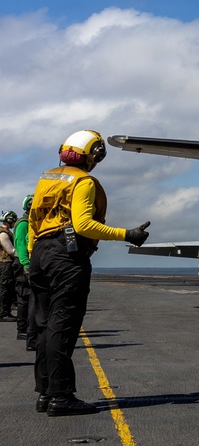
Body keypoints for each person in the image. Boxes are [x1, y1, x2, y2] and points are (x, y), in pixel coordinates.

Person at [28, 130, 151, 417]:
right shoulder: (83, 182)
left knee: (44, 326)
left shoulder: (47, 178)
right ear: (94, 155)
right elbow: (83, 224)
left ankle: (45, 393)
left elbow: (34, 221)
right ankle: (61, 397)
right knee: (62, 325)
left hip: (40, 255)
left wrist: (35, 255)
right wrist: (127, 234)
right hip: (65, 257)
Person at [14, 196, 35, 344]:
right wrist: (26, 265)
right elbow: (21, 245)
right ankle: (22, 330)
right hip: (22, 263)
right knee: (24, 297)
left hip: (26, 262)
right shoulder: (23, 223)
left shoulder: (31, 222)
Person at [0, 211, 17, 320]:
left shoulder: (6, 232)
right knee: (5, 288)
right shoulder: (3, 234)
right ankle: (3, 313)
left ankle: (6, 311)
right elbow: (11, 251)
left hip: (5, 264)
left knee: (8, 288)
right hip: (5, 264)